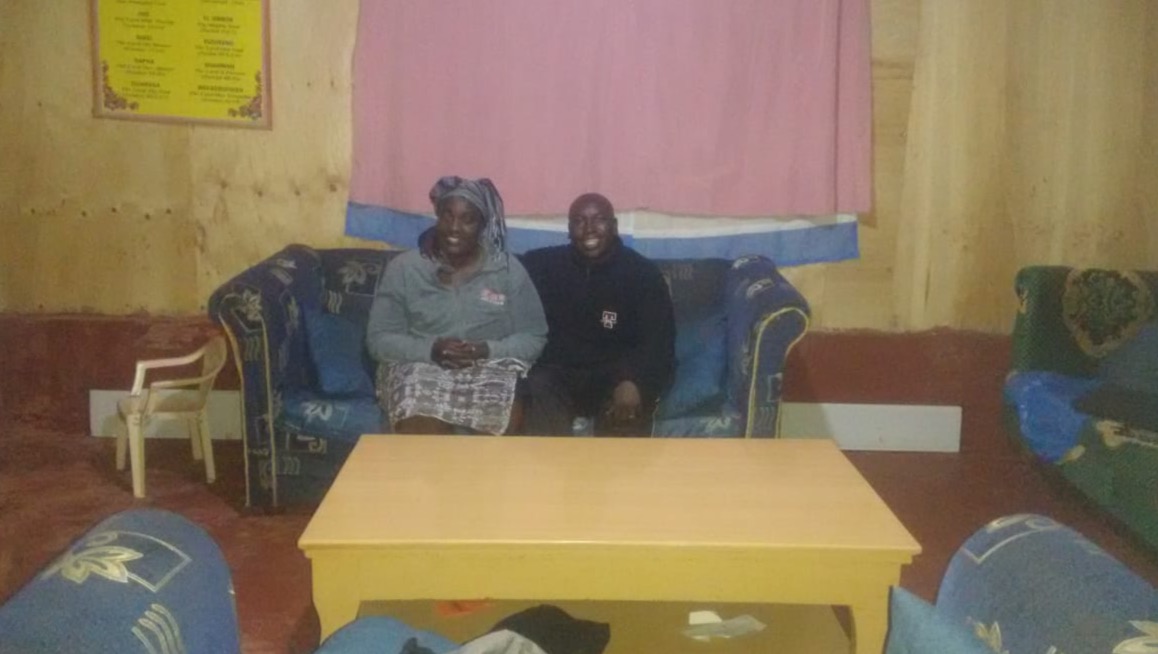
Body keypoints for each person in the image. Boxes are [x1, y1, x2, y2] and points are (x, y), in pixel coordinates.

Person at [366, 176, 547, 435]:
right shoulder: (405, 269)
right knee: (422, 423)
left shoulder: (507, 270)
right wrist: (431, 350)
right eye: (447, 216)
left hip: (489, 367)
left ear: (482, 225)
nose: (454, 228)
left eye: (467, 219)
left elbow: (533, 337)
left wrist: (485, 350)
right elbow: (379, 339)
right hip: (419, 366)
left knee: (502, 429)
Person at [521, 192, 676, 436]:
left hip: (617, 374)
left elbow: (658, 340)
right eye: (579, 221)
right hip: (560, 373)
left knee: (627, 410)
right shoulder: (544, 266)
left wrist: (634, 380)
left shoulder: (642, 274)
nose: (589, 229)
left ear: (614, 226)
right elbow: (499, 269)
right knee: (537, 385)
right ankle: (550, 463)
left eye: (599, 220)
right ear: (569, 230)